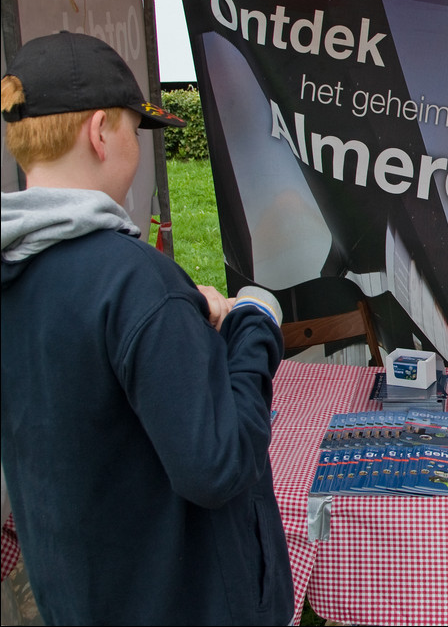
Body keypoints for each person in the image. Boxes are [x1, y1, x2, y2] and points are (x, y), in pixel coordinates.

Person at [0, 32, 293, 625]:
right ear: (100, 131)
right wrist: (252, 326)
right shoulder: (135, 283)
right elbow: (215, 464)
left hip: (84, 592)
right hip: (180, 600)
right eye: (135, 133)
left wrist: (187, 321)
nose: (135, 153)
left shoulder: (21, 270)